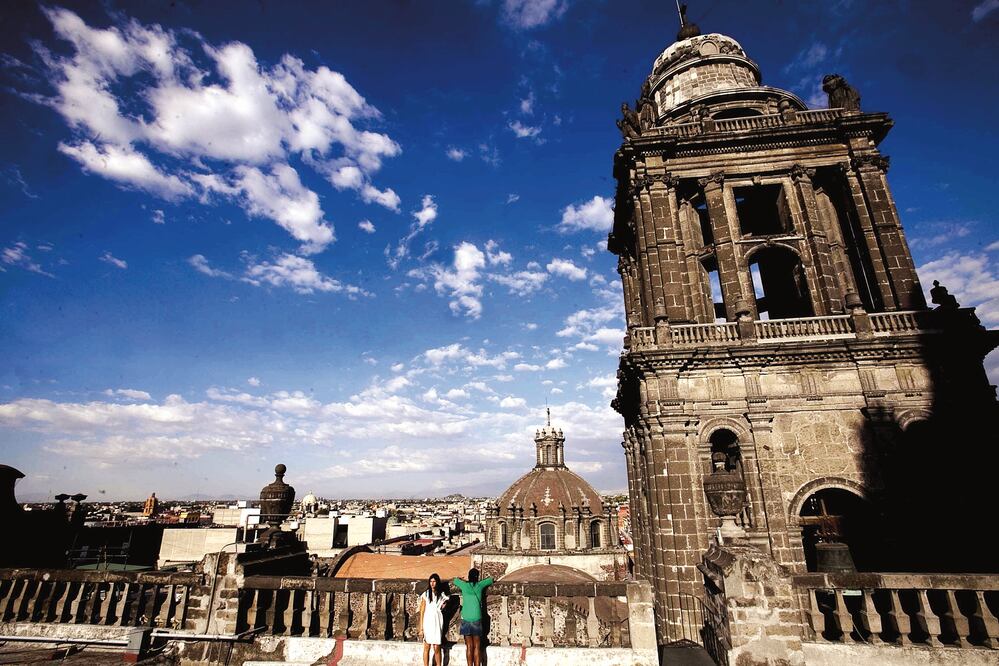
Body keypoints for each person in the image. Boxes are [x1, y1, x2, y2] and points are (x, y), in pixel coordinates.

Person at [452, 568, 493, 666]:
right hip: (476, 617)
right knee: (477, 646)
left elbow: (454, 580)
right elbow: (491, 579)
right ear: (477, 577)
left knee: (469, 646)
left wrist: (462, 579)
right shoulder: (479, 585)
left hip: (466, 617)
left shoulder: (464, 585)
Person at [418, 573, 448, 666]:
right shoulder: (426, 594)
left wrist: (444, 605)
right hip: (428, 622)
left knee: (437, 647)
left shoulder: (442, 595)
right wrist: (421, 628)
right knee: (427, 646)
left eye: (434, 581)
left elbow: (444, 606)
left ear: (437, 582)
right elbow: (422, 611)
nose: (432, 583)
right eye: (431, 581)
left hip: (437, 621)